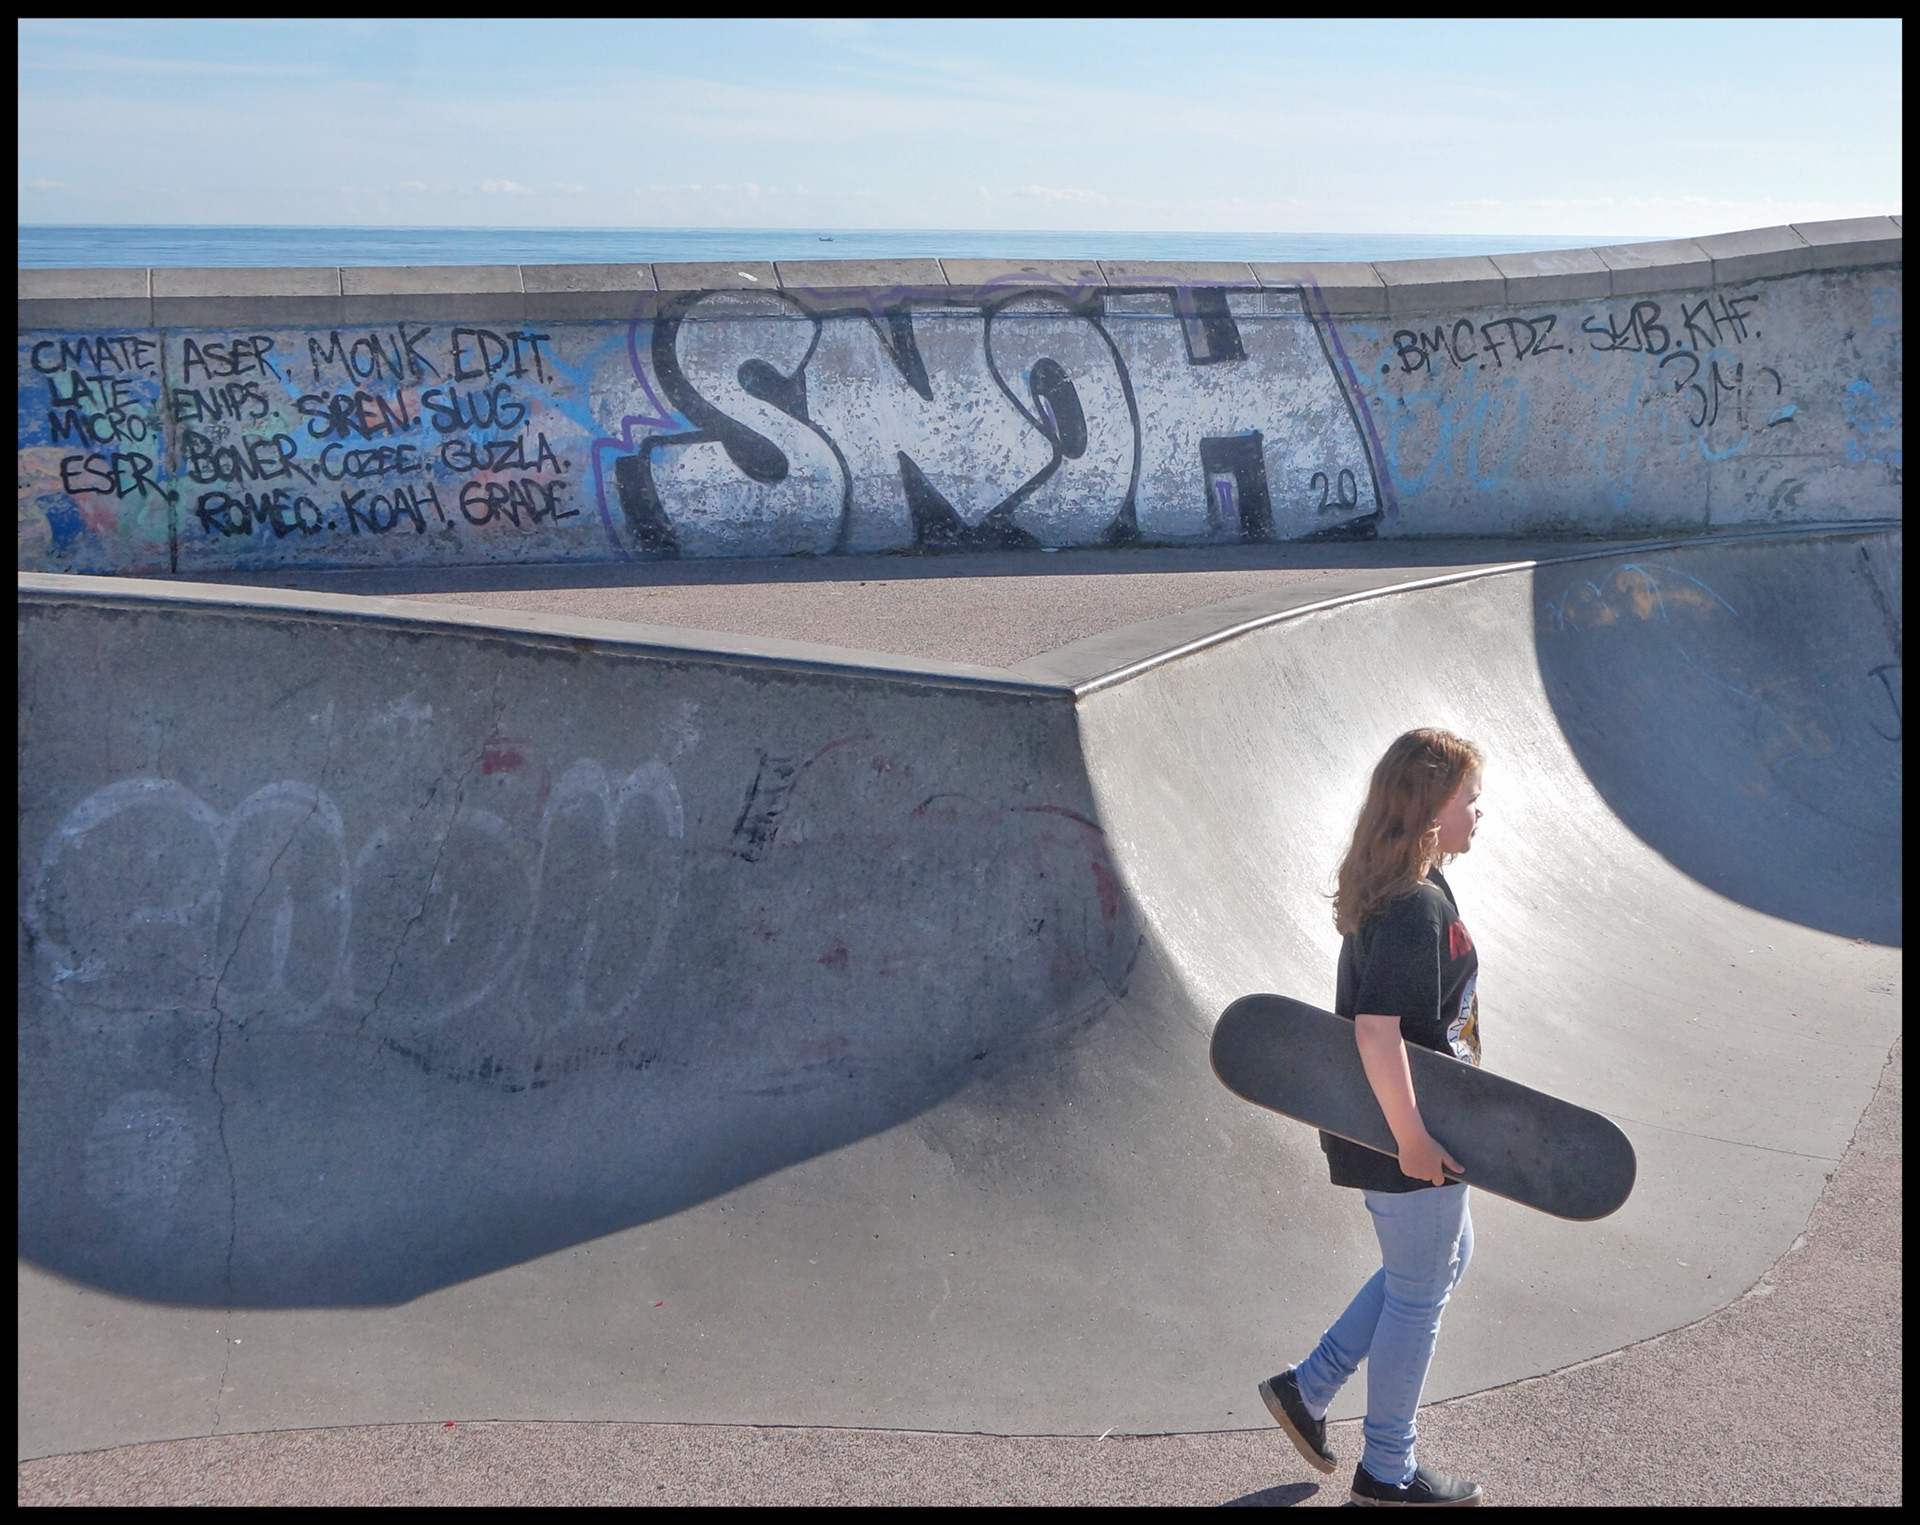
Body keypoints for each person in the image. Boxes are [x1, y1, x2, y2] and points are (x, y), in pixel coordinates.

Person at [1260, 728, 1487, 1507]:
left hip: (1408, 1126)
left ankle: (1310, 1386)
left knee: (1440, 1259)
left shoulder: (1418, 888)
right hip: (1404, 1132)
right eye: (1467, 797)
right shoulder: (1410, 908)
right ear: (1430, 809)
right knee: (1420, 1291)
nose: (1478, 810)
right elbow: (1376, 1029)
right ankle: (1388, 1469)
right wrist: (1414, 1137)